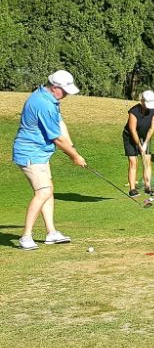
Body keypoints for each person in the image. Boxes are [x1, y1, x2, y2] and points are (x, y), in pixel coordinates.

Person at [11, 70, 88, 250]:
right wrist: (74, 155)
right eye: (65, 91)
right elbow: (56, 138)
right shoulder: (42, 104)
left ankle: (51, 233)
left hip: (40, 153)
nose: (67, 94)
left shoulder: (50, 100)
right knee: (43, 192)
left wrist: (73, 147)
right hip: (30, 153)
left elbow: (60, 125)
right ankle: (26, 237)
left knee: (48, 190)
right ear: (55, 88)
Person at [123, 90, 154, 196]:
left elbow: (152, 128)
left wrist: (145, 143)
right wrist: (139, 146)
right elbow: (132, 130)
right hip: (130, 137)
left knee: (147, 160)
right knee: (133, 162)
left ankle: (148, 187)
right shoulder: (133, 112)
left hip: (145, 137)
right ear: (142, 101)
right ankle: (132, 189)